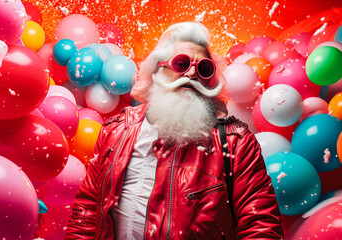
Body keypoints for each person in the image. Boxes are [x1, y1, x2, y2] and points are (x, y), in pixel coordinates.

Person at [65, 21, 284, 240]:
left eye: (203, 68)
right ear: (157, 70)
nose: (192, 74)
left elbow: (261, 227)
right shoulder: (115, 131)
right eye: (182, 64)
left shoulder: (236, 142)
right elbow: (87, 212)